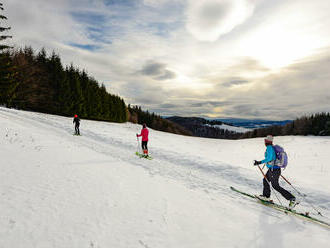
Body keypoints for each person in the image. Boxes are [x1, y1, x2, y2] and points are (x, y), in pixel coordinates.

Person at [254, 135, 296, 207]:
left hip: (274, 170)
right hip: (272, 169)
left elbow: (270, 158)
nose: (264, 141)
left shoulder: (270, 148)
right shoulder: (270, 147)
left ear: (267, 141)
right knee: (265, 180)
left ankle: (292, 198)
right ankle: (266, 196)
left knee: (275, 186)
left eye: (265, 140)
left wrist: (259, 162)